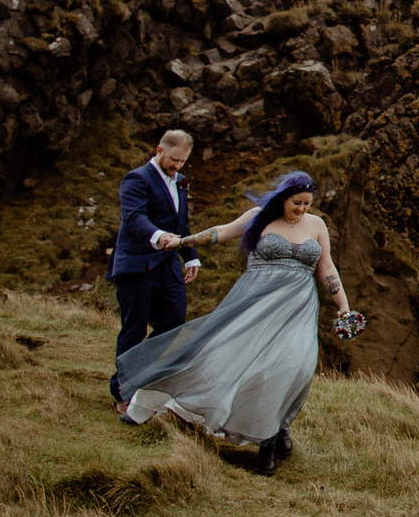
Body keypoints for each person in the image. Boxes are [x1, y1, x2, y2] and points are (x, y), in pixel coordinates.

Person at [114, 170, 358, 475]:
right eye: (297, 203)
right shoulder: (259, 217)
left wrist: (343, 305)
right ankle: (265, 440)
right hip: (255, 304)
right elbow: (221, 232)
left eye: (307, 204)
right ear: (284, 197)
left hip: (298, 308)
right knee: (228, 360)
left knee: (293, 366)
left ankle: (278, 428)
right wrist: (181, 243)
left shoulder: (317, 225)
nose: (302, 210)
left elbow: (326, 267)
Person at [108, 130, 200, 409]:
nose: (178, 166)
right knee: (134, 329)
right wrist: (159, 236)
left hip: (168, 267)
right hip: (136, 265)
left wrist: (191, 257)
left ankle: (148, 380)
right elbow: (134, 218)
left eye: (183, 161)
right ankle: (123, 391)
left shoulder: (180, 183)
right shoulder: (136, 179)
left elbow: (181, 224)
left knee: (173, 324)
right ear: (159, 149)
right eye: (174, 159)